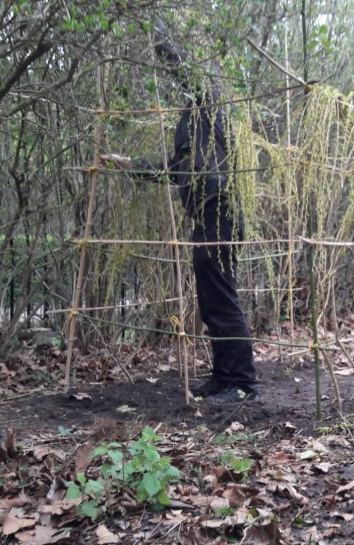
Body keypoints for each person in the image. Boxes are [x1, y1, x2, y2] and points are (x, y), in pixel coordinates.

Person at [99, 24, 259, 403]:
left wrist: (157, 34)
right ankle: (224, 377)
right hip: (205, 212)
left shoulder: (208, 105)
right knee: (210, 298)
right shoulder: (190, 119)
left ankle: (242, 383)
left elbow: (188, 72)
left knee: (221, 296)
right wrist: (130, 165)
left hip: (221, 209)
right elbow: (177, 168)